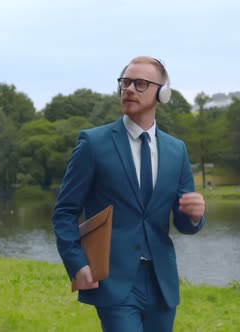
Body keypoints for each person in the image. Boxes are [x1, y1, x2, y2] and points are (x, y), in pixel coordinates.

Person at [52, 56, 206, 332]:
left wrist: (193, 215)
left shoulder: (176, 150)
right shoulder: (93, 143)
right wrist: (77, 264)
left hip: (161, 283)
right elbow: (65, 212)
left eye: (140, 83)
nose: (129, 89)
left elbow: (184, 225)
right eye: (124, 83)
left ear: (162, 93)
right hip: (113, 281)